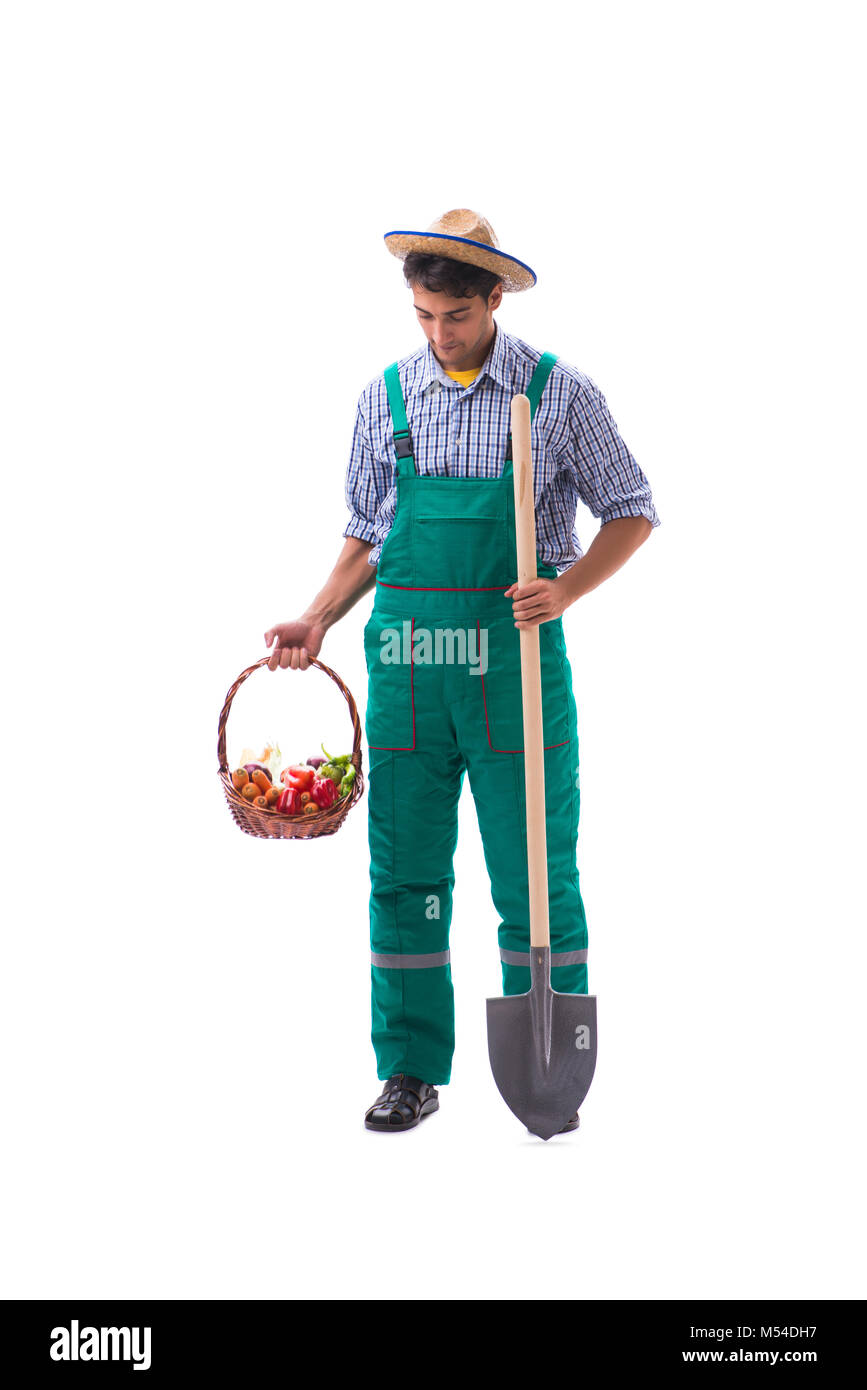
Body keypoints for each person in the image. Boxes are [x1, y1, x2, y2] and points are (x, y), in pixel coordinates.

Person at [264, 209, 660, 1134]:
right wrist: (317, 617)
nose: (438, 335)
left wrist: (566, 593)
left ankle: (547, 1061)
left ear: (492, 299)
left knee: (535, 877)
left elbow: (632, 509)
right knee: (403, 874)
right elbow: (368, 535)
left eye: (454, 316)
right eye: (422, 317)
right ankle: (409, 1069)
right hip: (406, 670)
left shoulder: (557, 394)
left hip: (512, 670)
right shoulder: (385, 397)